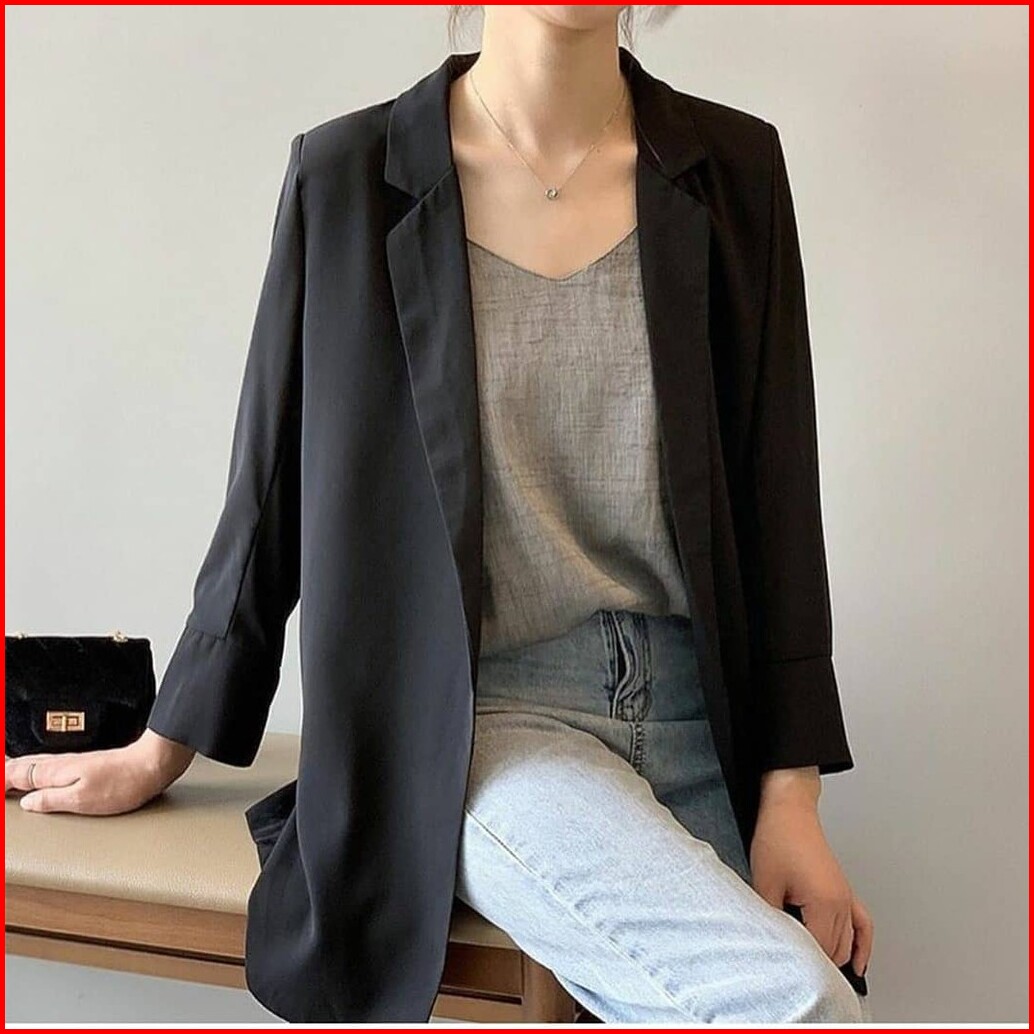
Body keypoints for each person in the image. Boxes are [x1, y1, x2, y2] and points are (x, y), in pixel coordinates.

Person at [5, 6, 874, 1024]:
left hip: (703, 720)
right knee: (794, 1002)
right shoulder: (347, 175)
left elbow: (777, 487)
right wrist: (164, 744)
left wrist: (791, 795)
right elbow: (269, 488)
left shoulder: (733, 169)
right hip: (488, 725)